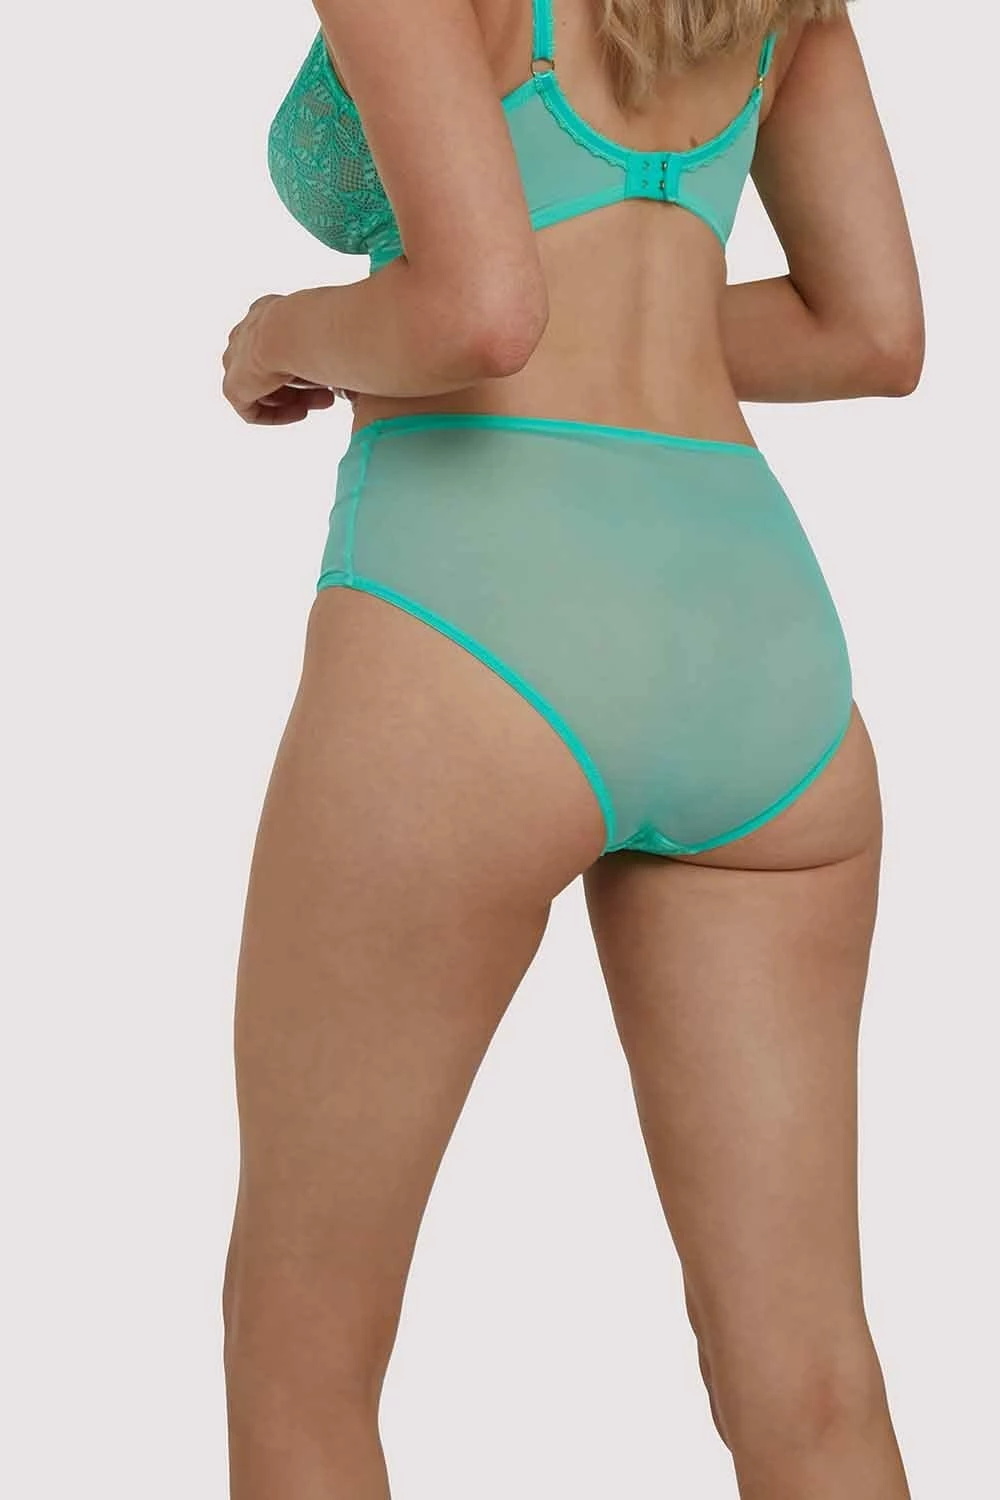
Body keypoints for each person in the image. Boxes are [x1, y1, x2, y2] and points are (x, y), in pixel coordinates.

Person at [220, 1, 923, 1495]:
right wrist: (634, 323)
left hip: (481, 619)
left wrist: (278, 335)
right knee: (807, 1383)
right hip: (753, 639)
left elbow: (481, 314)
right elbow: (869, 331)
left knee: (301, 1351)